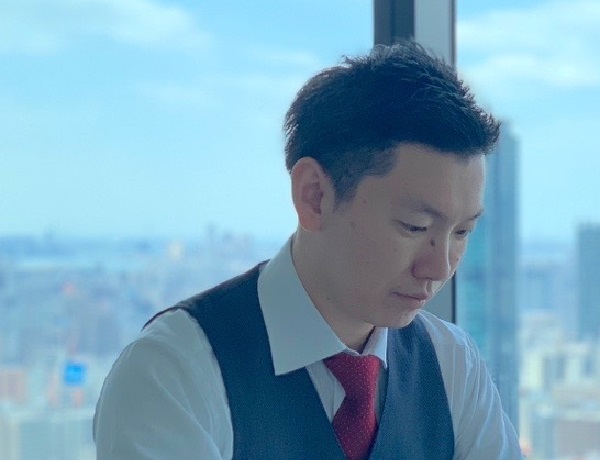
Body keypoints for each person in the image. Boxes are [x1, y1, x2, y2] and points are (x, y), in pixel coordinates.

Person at [93, 41, 524, 459]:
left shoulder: (452, 363)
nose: (440, 267)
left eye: (462, 232)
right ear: (314, 195)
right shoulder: (174, 373)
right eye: (415, 227)